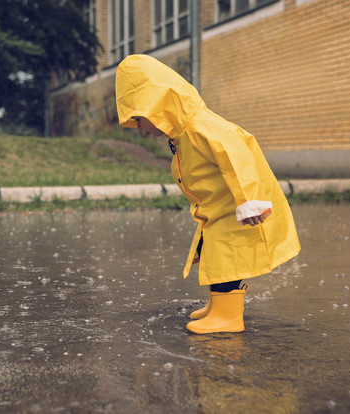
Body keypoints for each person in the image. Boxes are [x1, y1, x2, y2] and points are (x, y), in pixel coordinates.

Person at [115, 54, 301, 334]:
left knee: (226, 259)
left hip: (234, 209)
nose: (139, 129)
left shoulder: (200, 127)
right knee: (215, 255)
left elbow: (236, 158)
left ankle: (228, 317)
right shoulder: (183, 133)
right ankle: (219, 306)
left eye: (139, 119)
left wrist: (249, 201)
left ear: (157, 106)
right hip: (218, 209)